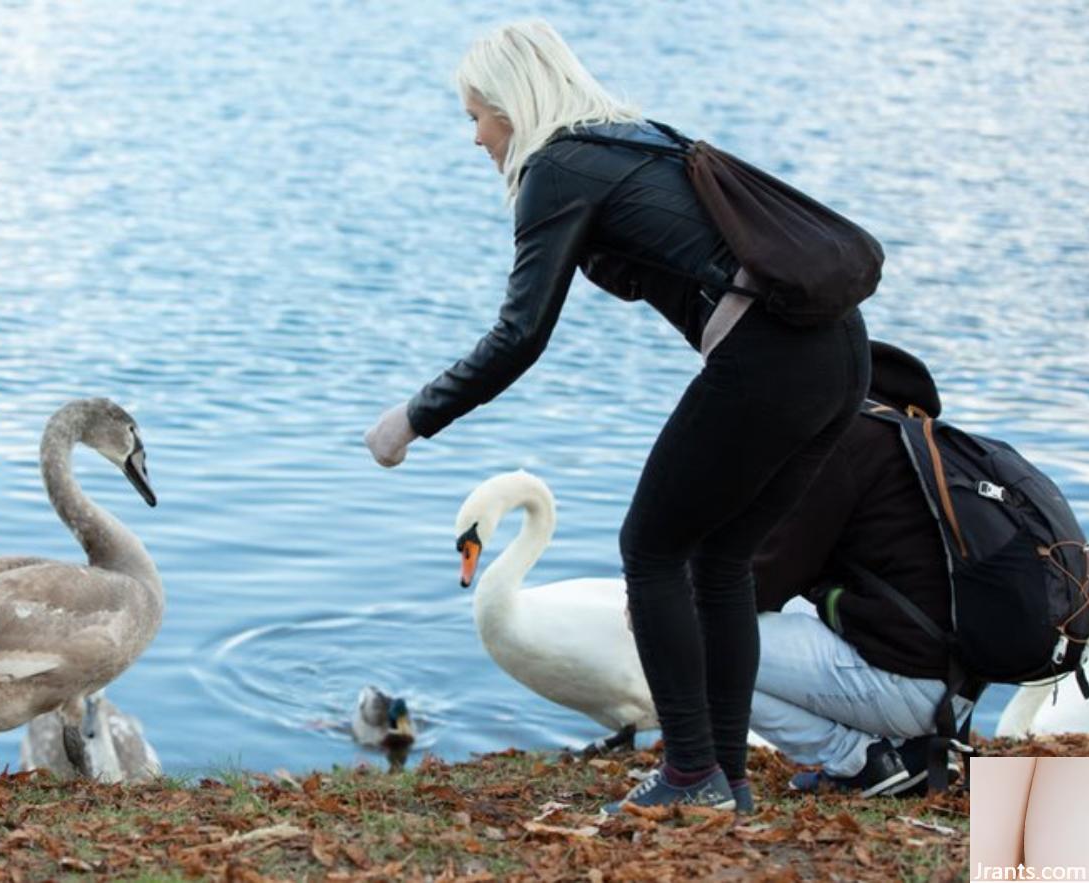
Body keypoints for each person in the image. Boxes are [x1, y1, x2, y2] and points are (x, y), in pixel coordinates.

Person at [364, 19, 870, 812]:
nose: (475, 139)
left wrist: (412, 418)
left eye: (475, 116)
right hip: (839, 356)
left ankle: (690, 772)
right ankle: (722, 776)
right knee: (721, 559)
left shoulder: (557, 166)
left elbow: (519, 333)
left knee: (651, 546)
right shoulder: (638, 138)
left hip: (772, 361)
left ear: (510, 103)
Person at [750, 341, 973, 797]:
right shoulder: (930, 446)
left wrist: (674, 595)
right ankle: (909, 756)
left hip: (909, 686)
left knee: (694, 635)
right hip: (959, 690)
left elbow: (762, 581)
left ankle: (858, 759)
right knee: (1046, 864)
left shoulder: (850, 442)